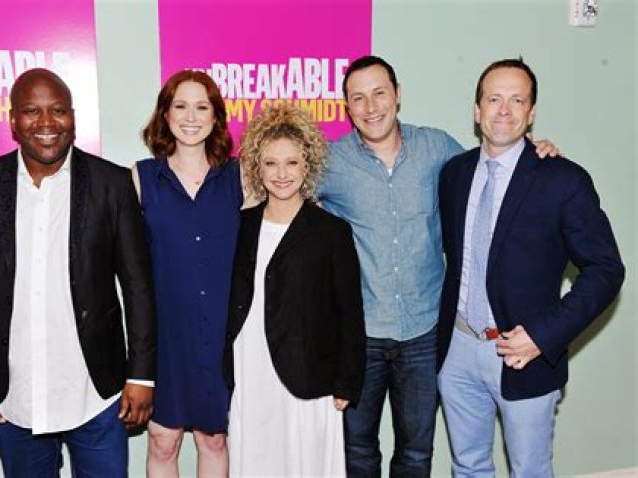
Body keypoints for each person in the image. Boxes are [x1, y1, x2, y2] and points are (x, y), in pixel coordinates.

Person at [316, 55, 559, 477]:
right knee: (356, 451)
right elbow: (278, 186)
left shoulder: (439, 149)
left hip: (425, 333)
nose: (371, 107)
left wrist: (537, 150)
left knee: (416, 452)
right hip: (360, 335)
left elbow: (495, 169)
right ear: (347, 107)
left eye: (379, 93)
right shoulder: (330, 162)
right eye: (358, 98)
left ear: (398, 95)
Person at [0, 68, 156, 477]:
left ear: (73, 117)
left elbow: (138, 285)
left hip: (97, 394)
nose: (47, 122)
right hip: (12, 399)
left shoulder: (112, 184)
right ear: (13, 121)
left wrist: (142, 376)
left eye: (58, 110)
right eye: (31, 111)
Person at [437, 58, 624, 477]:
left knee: (530, 470)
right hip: (458, 349)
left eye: (517, 100)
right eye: (494, 99)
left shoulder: (563, 180)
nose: (504, 110)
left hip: (525, 354)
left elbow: (606, 269)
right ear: (477, 110)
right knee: (467, 466)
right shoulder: (454, 174)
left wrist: (543, 335)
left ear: (532, 112)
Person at [224, 103, 365, 476]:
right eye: (271, 163)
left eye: (291, 162)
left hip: (308, 371)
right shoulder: (240, 226)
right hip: (250, 365)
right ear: (257, 168)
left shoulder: (332, 231)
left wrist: (347, 381)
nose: (281, 174)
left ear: (307, 165)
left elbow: (349, 312)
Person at [134, 70, 242, 477]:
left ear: (216, 117)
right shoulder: (141, 178)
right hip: (166, 337)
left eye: (202, 107)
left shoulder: (241, 177)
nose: (191, 117)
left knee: (213, 440)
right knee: (163, 440)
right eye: (180, 106)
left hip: (223, 336)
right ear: (165, 114)